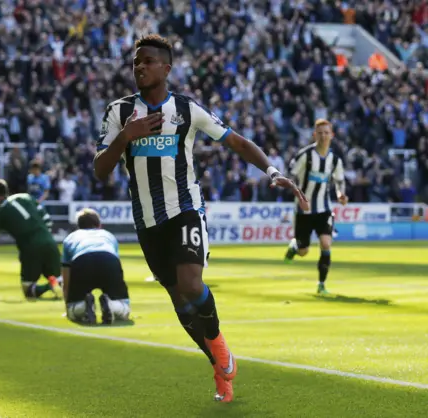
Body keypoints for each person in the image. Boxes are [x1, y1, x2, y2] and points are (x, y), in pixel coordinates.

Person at [92, 34, 309, 403]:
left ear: (166, 68)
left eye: (147, 61)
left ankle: (221, 347)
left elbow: (236, 141)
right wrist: (126, 136)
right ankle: (218, 367)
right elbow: (100, 170)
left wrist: (272, 171)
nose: (139, 67)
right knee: (180, 303)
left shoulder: (187, 110)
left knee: (192, 286)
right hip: (146, 222)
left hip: (185, 210)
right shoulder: (119, 112)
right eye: (135, 62)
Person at [284, 119, 347, 295]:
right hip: (304, 210)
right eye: (320, 133)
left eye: (327, 133)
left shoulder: (334, 160)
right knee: (304, 251)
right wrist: (299, 195)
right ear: (314, 135)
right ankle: (295, 247)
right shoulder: (305, 155)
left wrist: (341, 194)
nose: (323, 136)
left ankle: (321, 284)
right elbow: (291, 176)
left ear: (332, 135)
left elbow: (339, 180)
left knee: (326, 243)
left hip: (324, 208)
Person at [0, 179, 62, 300]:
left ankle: (49, 286)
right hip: (49, 242)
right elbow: (48, 220)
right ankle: (56, 283)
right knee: (57, 278)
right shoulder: (25, 197)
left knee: (28, 291)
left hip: (30, 248)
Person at [62, 208, 130, 325]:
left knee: (73, 312)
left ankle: (84, 306)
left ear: (78, 226)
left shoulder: (70, 238)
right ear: (99, 224)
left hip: (82, 261)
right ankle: (111, 305)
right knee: (124, 308)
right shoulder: (108, 235)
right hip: (108, 259)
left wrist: (68, 304)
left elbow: (66, 275)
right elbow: (117, 265)